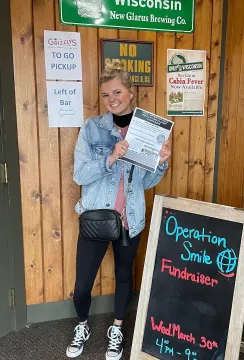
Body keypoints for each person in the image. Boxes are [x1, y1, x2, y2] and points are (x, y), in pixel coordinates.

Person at [66, 60, 171, 359]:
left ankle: (117, 329)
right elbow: (80, 175)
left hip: (131, 220)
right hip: (96, 218)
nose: (112, 99)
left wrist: (161, 161)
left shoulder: (148, 130)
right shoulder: (92, 128)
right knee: (83, 283)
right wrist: (110, 158)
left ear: (130, 93)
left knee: (124, 276)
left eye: (117, 92)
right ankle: (82, 325)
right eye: (106, 95)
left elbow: (147, 182)